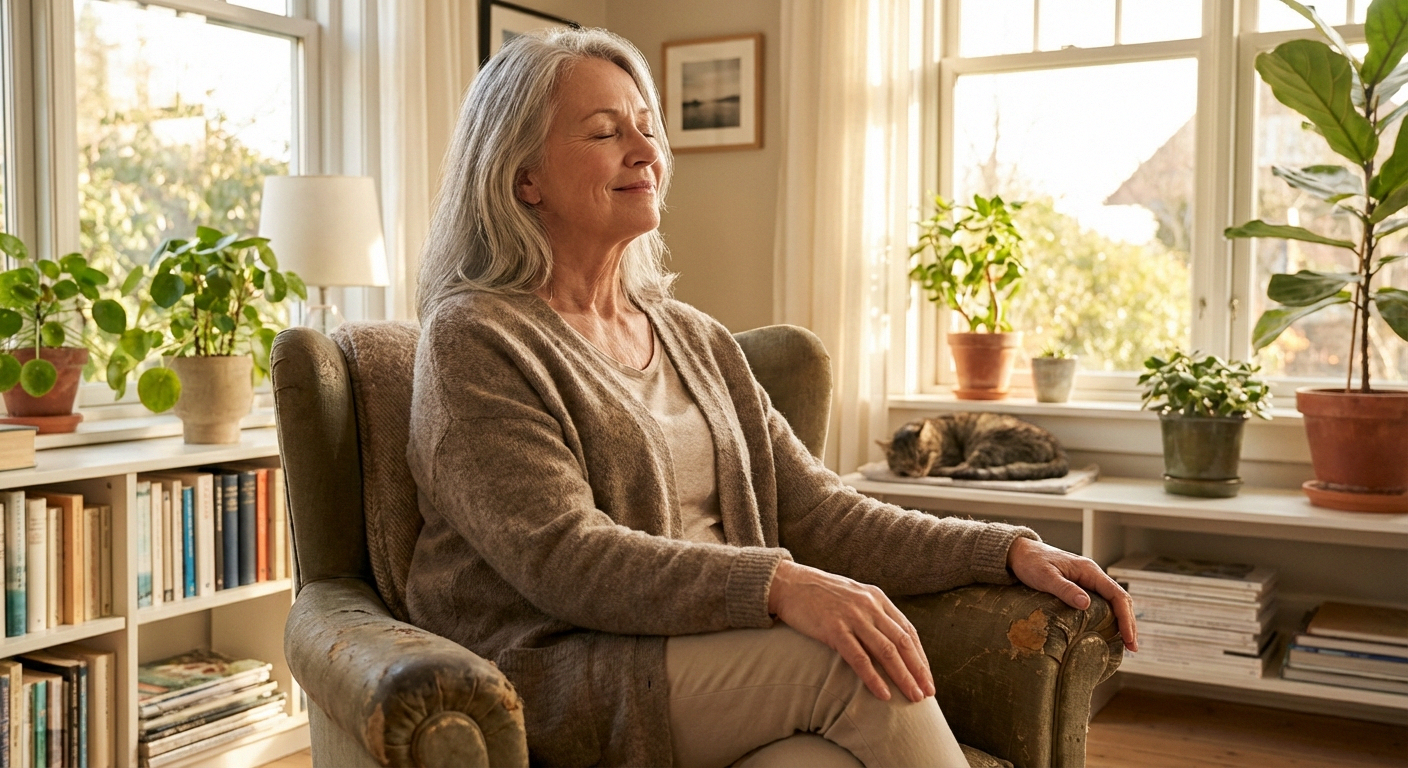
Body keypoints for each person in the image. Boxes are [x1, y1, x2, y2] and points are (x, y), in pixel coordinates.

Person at [407, 27, 1137, 768]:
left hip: (716, 663)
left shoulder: (693, 336)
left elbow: (820, 511)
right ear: (522, 176)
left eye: (646, 126)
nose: (644, 150)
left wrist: (1003, 548)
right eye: (603, 132)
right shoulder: (476, 338)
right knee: (853, 669)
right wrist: (781, 584)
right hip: (567, 672)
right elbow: (566, 557)